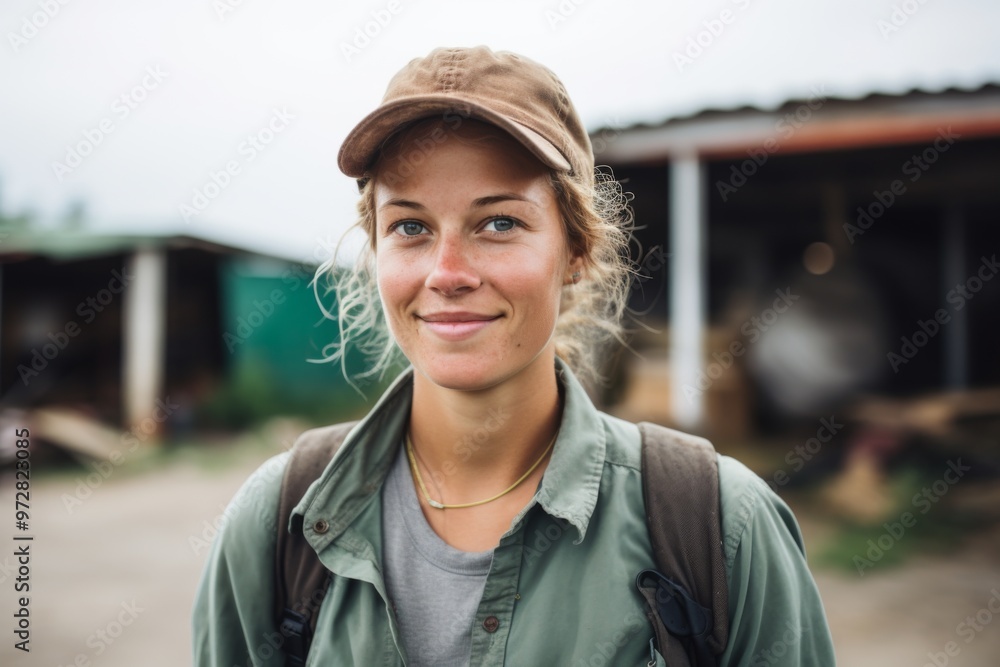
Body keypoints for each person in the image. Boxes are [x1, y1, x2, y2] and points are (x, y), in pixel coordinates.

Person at [192, 45, 836, 666]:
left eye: (498, 223)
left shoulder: (716, 528)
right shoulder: (279, 524)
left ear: (576, 251)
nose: (447, 273)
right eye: (410, 227)